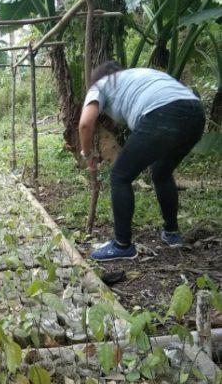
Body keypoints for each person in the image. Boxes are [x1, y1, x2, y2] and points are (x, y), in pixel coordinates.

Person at [79, 61, 205, 261]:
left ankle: (122, 245)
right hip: (195, 113)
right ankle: (172, 233)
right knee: (161, 172)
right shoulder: (139, 75)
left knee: (120, 176)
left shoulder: (100, 85)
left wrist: (87, 154)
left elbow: (85, 124)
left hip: (162, 114)